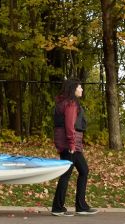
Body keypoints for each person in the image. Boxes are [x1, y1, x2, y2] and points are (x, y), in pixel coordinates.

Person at [51, 79, 97, 216]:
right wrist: (72, 144)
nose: (82, 89)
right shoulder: (71, 104)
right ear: (73, 89)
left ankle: (80, 206)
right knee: (69, 174)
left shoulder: (63, 103)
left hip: (69, 144)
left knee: (83, 170)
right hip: (70, 145)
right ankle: (59, 208)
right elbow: (70, 126)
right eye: (80, 87)